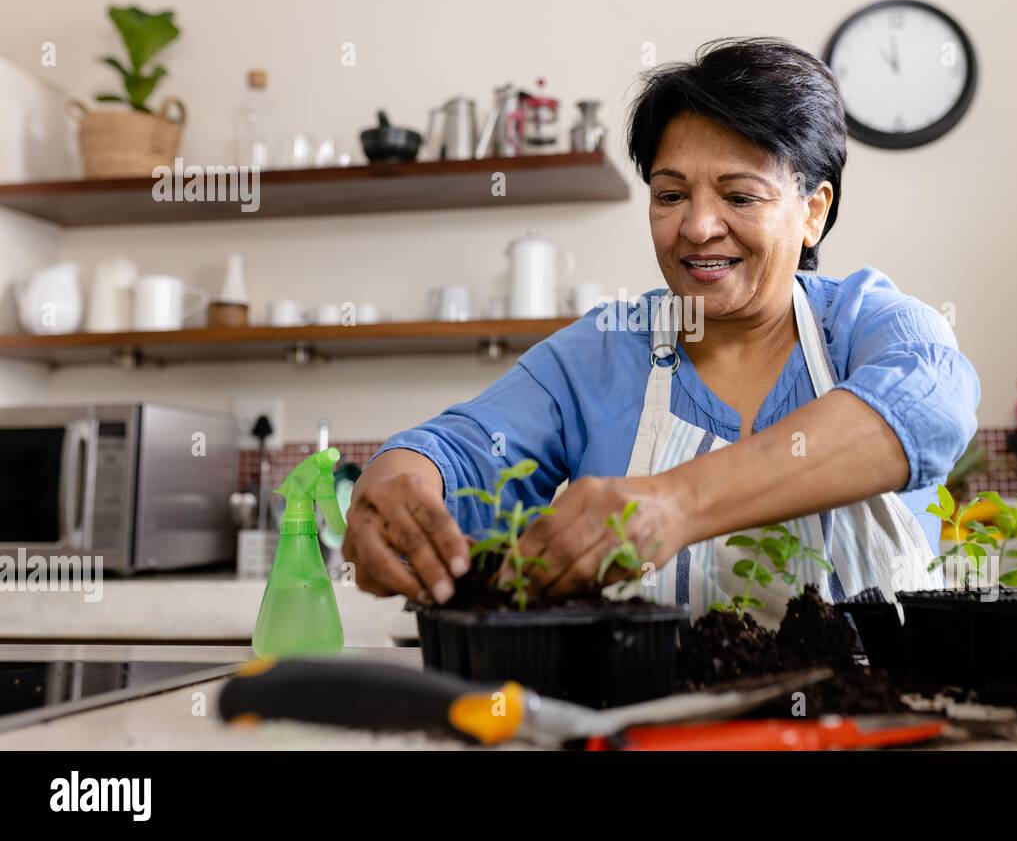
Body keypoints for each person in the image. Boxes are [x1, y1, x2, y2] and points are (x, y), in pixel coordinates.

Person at [343, 37, 979, 626]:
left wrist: (676, 504)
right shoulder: (606, 349)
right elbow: (456, 452)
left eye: (740, 196)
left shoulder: (863, 323)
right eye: (670, 196)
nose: (698, 227)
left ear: (814, 211)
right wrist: (394, 493)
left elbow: (930, 404)